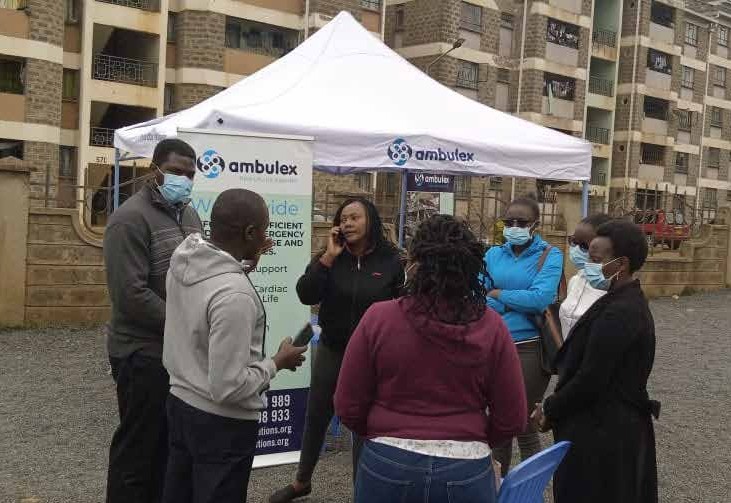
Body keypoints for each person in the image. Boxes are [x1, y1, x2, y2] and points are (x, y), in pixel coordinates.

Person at [334, 215, 528, 503]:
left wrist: (383, 431)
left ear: (414, 265)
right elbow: (512, 417)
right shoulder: (492, 326)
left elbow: (347, 404)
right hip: (466, 467)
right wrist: (470, 439)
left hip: (388, 462)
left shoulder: (379, 318)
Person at [161, 189, 307, 503]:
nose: (266, 237)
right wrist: (277, 362)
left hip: (180, 404)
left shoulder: (184, 262)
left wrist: (242, 265)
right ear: (250, 232)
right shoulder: (234, 295)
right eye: (264, 230)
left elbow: (209, 295)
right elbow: (229, 386)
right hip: (221, 426)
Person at [269, 197, 404, 503]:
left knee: (364, 423)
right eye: (343, 219)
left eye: (355, 217)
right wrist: (328, 257)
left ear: (370, 220)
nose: (348, 223)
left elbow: (402, 307)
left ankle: (362, 492)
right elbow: (306, 294)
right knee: (317, 414)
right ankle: (302, 481)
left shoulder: (390, 261)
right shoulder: (329, 257)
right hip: (333, 348)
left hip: (373, 356)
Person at [103, 138, 202, 503]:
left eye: (190, 174)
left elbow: (199, 271)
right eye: (176, 171)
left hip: (177, 352)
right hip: (142, 353)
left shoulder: (189, 216)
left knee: (167, 445)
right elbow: (131, 296)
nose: (183, 180)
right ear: (154, 171)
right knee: (138, 449)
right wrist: (186, 323)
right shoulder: (128, 219)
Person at [532, 219, 658, 503]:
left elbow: (591, 378)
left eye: (596, 260)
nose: (588, 265)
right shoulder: (617, 300)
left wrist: (551, 408)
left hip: (603, 432)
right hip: (598, 423)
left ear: (621, 264)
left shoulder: (620, 312)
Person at [483, 196, 563, 477]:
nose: (514, 226)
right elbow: (479, 293)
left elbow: (541, 298)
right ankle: (498, 486)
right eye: (509, 222)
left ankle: (531, 487)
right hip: (492, 343)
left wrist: (498, 294)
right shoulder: (493, 254)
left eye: (521, 222)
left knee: (523, 421)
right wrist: (510, 300)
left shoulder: (550, 255)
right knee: (498, 421)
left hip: (528, 346)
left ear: (535, 225)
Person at [559, 213, 613, 340]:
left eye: (584, 246)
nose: (576, 249)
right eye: (573, 241)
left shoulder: (609, 287)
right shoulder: (575, 281)